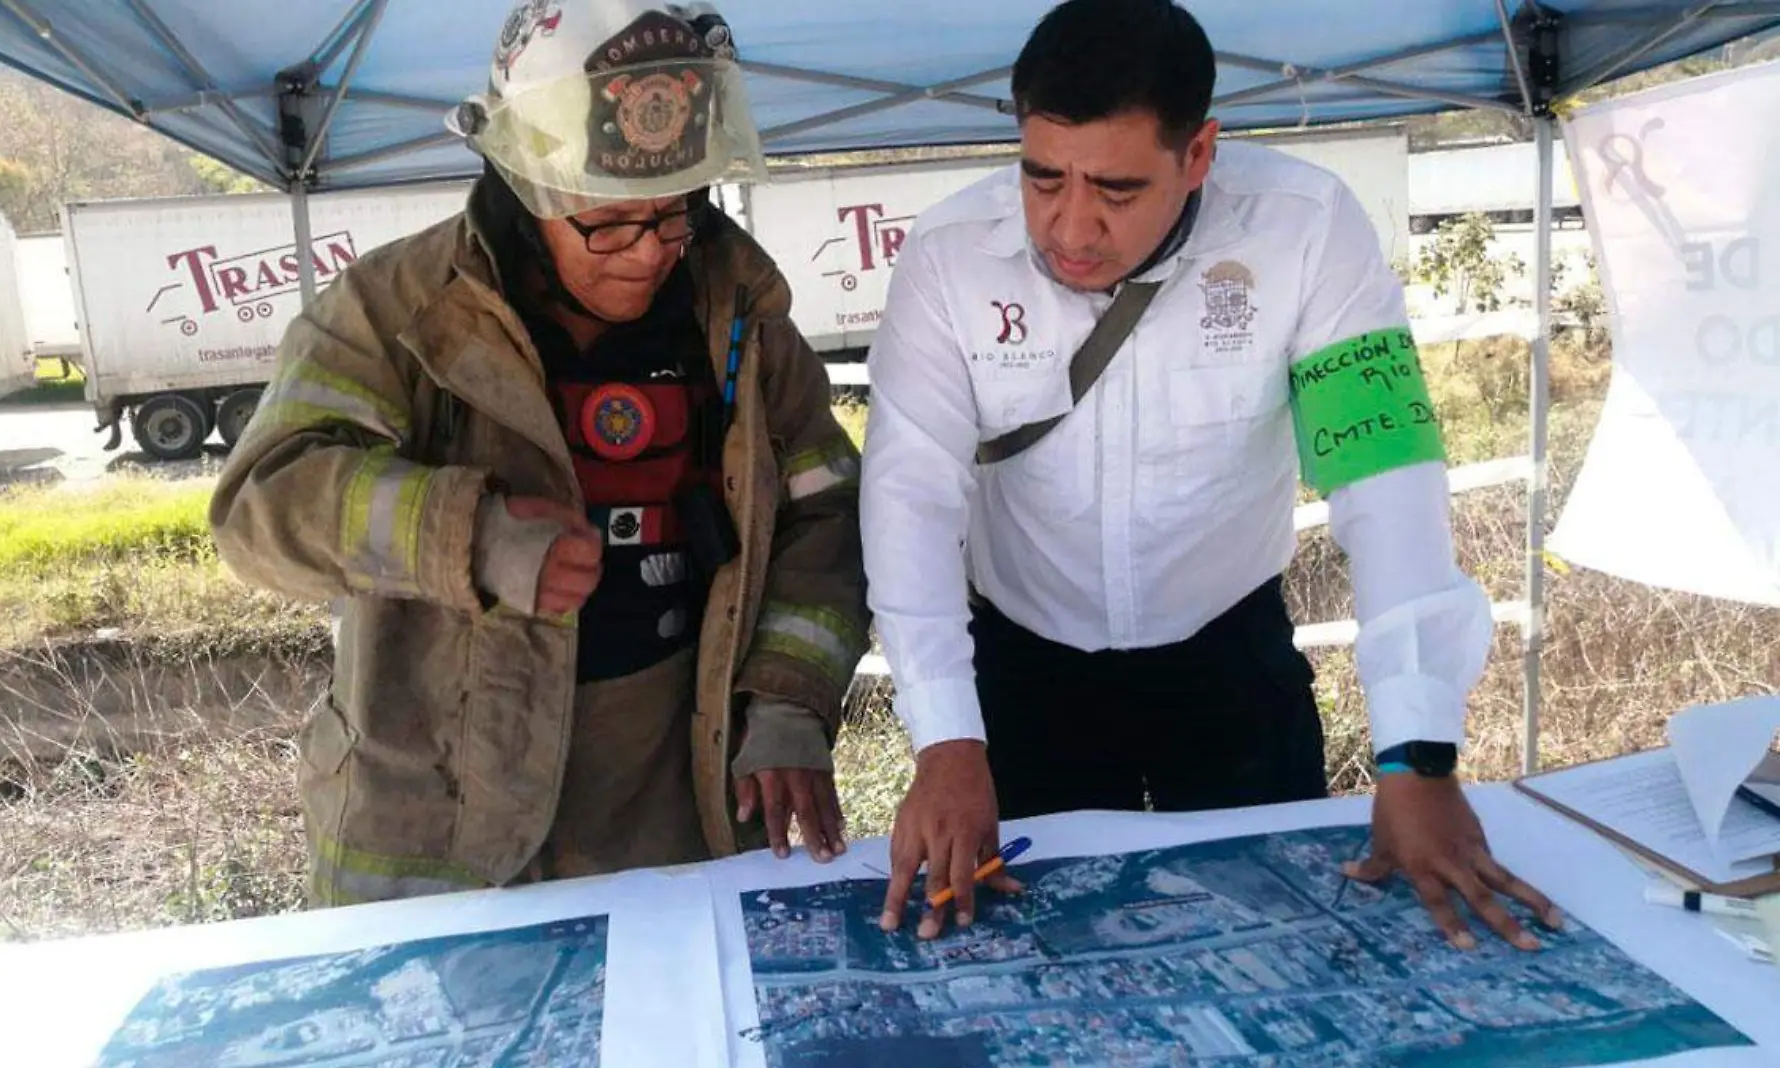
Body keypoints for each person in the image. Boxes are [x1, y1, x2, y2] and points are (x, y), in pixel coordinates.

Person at [861, 0, 1564, 949]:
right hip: (1025, 667)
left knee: (1276, 936)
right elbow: (910, 495)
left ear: (1199, 155)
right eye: (1041, 178)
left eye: (1115, 189)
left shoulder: (1306, 229)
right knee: (1034, 959)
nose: (1069, 227)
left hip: (1228, 656)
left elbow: (1383, 477)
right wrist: (945, 736)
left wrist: (1417, 752)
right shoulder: (949, 259)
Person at [209, 0, 868, 906]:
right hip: (439, 828)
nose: (648, 255)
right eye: (608, 223)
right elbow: (261, 506)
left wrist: (789, 700)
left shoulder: (743, 323)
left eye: (675, 216)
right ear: (526, 191)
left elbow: (823, 514)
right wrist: (465, 535)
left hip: (676, 801)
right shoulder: (396, 313)